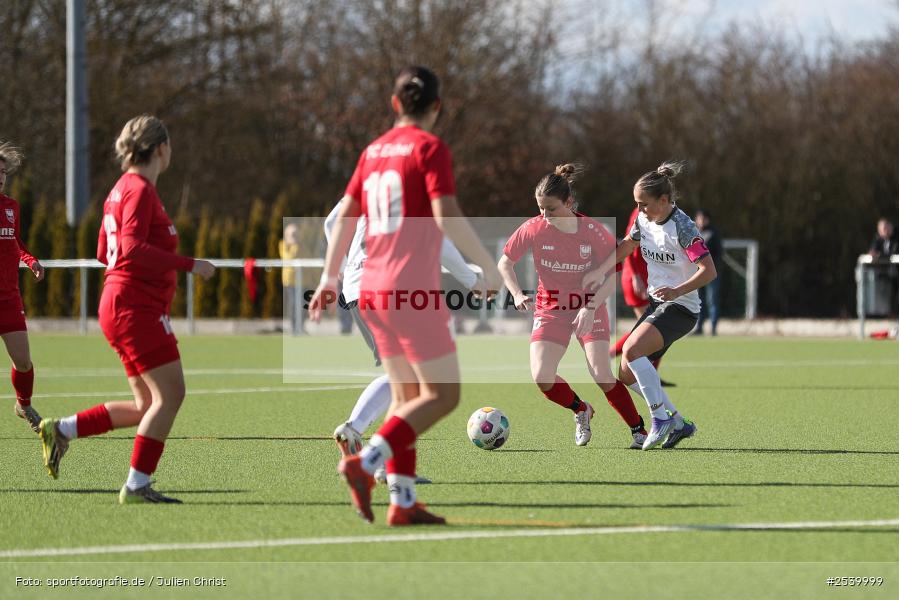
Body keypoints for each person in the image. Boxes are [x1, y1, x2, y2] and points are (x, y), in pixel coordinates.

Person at [309, 66, 501, 526]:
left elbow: (345, 217)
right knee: (444, 395)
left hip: (370, 288)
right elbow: (447, 215)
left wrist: (329, 278)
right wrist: (489, 268)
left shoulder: (372, 151)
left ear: (394, 104)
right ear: (437, 107)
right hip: (408, 288)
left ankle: (403, 501)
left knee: (405, 395)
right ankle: (366, 462)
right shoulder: (430, 148)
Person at [39, 115, 216, 503]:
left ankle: (63, 430)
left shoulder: (120, 189)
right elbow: (131, 248)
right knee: (170, 396)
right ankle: (137, 485)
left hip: (121, 304)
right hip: (134, 308)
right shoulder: (139, 190)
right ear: (161, 149)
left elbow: (106, 251)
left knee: (146, 405)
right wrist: (189, 265)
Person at [326, 200, 484, 482]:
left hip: (356, 289)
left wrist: (340, 266)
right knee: (419, 380)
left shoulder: (367, 177)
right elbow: (438, 241)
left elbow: (331, 222)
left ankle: (362, 439)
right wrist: (472, 281)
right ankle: (377, 457)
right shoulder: (413, 183)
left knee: (403, 376)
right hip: (392, 288)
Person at [498, 164, 648, 449]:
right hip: (550, 308)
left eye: (551, 209)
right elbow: (505, 263)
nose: (545, 216)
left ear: (568, 203)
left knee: (601, 373)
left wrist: (590, 308)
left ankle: (638, 429)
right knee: (542, 376)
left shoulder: (593, 232)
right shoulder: (533, 228)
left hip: (589, 306)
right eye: (540, 208)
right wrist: (516, 293)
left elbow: (611, 279)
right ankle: (581, 410)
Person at [598, 160, 716, 450]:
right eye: (636, 204)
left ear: (664, 200)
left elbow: (709, 271)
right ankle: (677, 423)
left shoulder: (683, 227)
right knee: (625, 373)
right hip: (658, 304)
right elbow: (628, 245)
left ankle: (659, 418)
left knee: (631, 349)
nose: (639, 211)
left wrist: (677, 291)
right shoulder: (644, 220)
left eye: (644, 204)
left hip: (682, 308)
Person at [0, 143, 46, 434]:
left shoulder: (11, 207)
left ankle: (23, 405)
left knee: (24, 361)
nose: (0, 176)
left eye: (3, 172)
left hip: (8, 298)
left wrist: (30, 260)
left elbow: (15, 243)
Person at [610, 206, 675, 386]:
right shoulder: (640, 212)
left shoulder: (665, 213)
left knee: (652, 330)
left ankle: (651, 374)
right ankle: (607, 355)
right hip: (637, 279)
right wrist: (635, 276)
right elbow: (629, 242)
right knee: (650, 329)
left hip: (650, 278)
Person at [694, 209, 723, 336]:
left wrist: (712, 269)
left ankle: (713, 328)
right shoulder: (694, 233)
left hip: (712, 274)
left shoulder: (713, 233)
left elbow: (719, 254)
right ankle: (698, 327)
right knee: (698, 301)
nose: (700, 221)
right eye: (698, 218)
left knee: (712, 300)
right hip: (697, 273)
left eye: (703, 218)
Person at [279, 223, 300, 334]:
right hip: (289, 281)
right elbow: (290, 257)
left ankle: (300, 326)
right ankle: (293, 327)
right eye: (292, 234)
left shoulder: (300, 245)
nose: (294, 236)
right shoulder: (283, 245)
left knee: (301, 304)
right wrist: (294, 245)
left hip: (301, 280)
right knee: (293, 304)